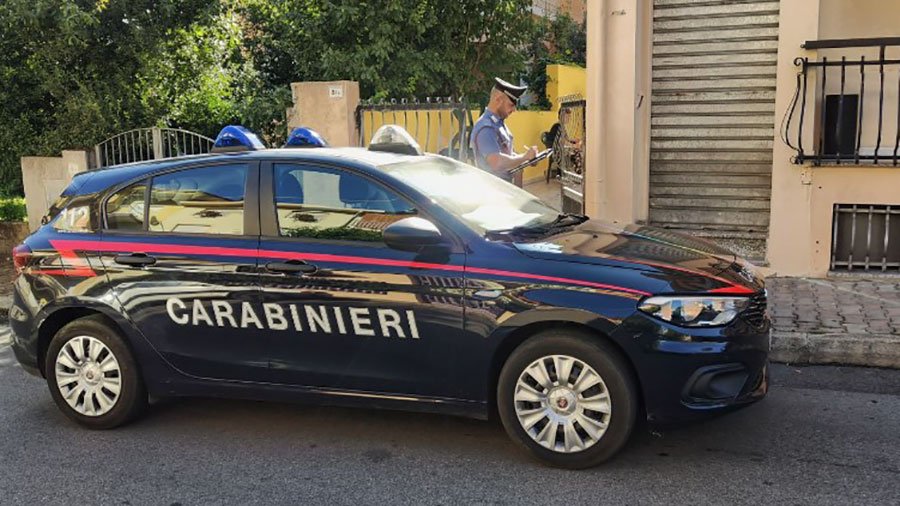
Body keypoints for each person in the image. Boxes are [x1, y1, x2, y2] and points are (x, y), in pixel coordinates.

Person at [469, 77, 537, 186]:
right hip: (493, 191)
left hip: (504, 189)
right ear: (498, 99)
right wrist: (524, 157)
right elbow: (496, 162)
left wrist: (527, 159)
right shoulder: (486, 127)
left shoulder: (499, 123)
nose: (514, 110)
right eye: (511, 105)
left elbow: (508, 154)